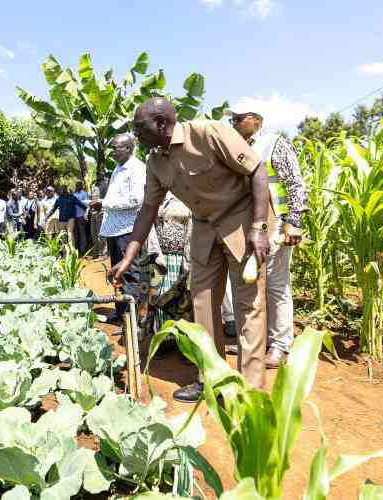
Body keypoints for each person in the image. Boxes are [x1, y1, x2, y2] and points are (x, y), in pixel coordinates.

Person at [110, 97, 273, 402]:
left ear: (161, 123)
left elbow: (257, 171)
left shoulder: (208, 133)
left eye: (139, 127)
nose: (136, 134)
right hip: (204, 225)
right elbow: (148, 209)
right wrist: (128, 257)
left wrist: (259, 227)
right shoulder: (155, 162)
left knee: (248, 305)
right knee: (202, 302)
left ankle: (249, 391)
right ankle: (211, 379)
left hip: (241, 218)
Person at [220, 104, 309, 368]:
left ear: (256, 120)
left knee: (275, 284)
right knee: (250, 284)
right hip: (248, 226)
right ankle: (256, 341)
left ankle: (280, 345)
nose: (234, 123)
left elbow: (295, 183)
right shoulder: (236, 146)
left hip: (276, 223)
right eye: (232, 119)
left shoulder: (274, 144)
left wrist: (294, 222)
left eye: (239, 118)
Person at [92, 134, 163, 327]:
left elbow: (137, 199)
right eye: (112, 148)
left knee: (131, 274)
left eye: (116, 148)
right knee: (119, 274)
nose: (112, 152)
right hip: (115, 230)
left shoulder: (137, 169)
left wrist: (105, 204)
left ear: (129, 149)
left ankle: (131, 321)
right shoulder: (118, 168)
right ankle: (121, 312)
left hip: (128, 230)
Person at [154, 194, 193, 326]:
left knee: (180, 299)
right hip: (160, 259)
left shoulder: (189, 197)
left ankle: (179, 334)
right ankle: (162, 331)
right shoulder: (156, 194)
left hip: (182, 260)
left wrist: (188, 264)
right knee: (159, 297)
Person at [87, 186, 107, 258]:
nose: (93, 194)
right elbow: (89, 205)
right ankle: (96, 253)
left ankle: (102, 253)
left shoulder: (101, 199)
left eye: (94, 193)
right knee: (94, 235)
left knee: (100, 235)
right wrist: (87, 212)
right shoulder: (91, 199)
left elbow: (100, 203)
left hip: (100, 215)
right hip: (93, 216)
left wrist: (93, 203)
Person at [73, 182, 90, 255]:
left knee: (82, 232)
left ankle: (83, 248)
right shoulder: (74, 194)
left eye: (78, 185)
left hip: (81, 215)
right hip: (74, 216)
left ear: (81, 186)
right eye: (76, 185)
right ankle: (77, 248)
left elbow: (86, 204)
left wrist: (85, 215)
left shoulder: (84, 194)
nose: (77, 186)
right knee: (76, 233)